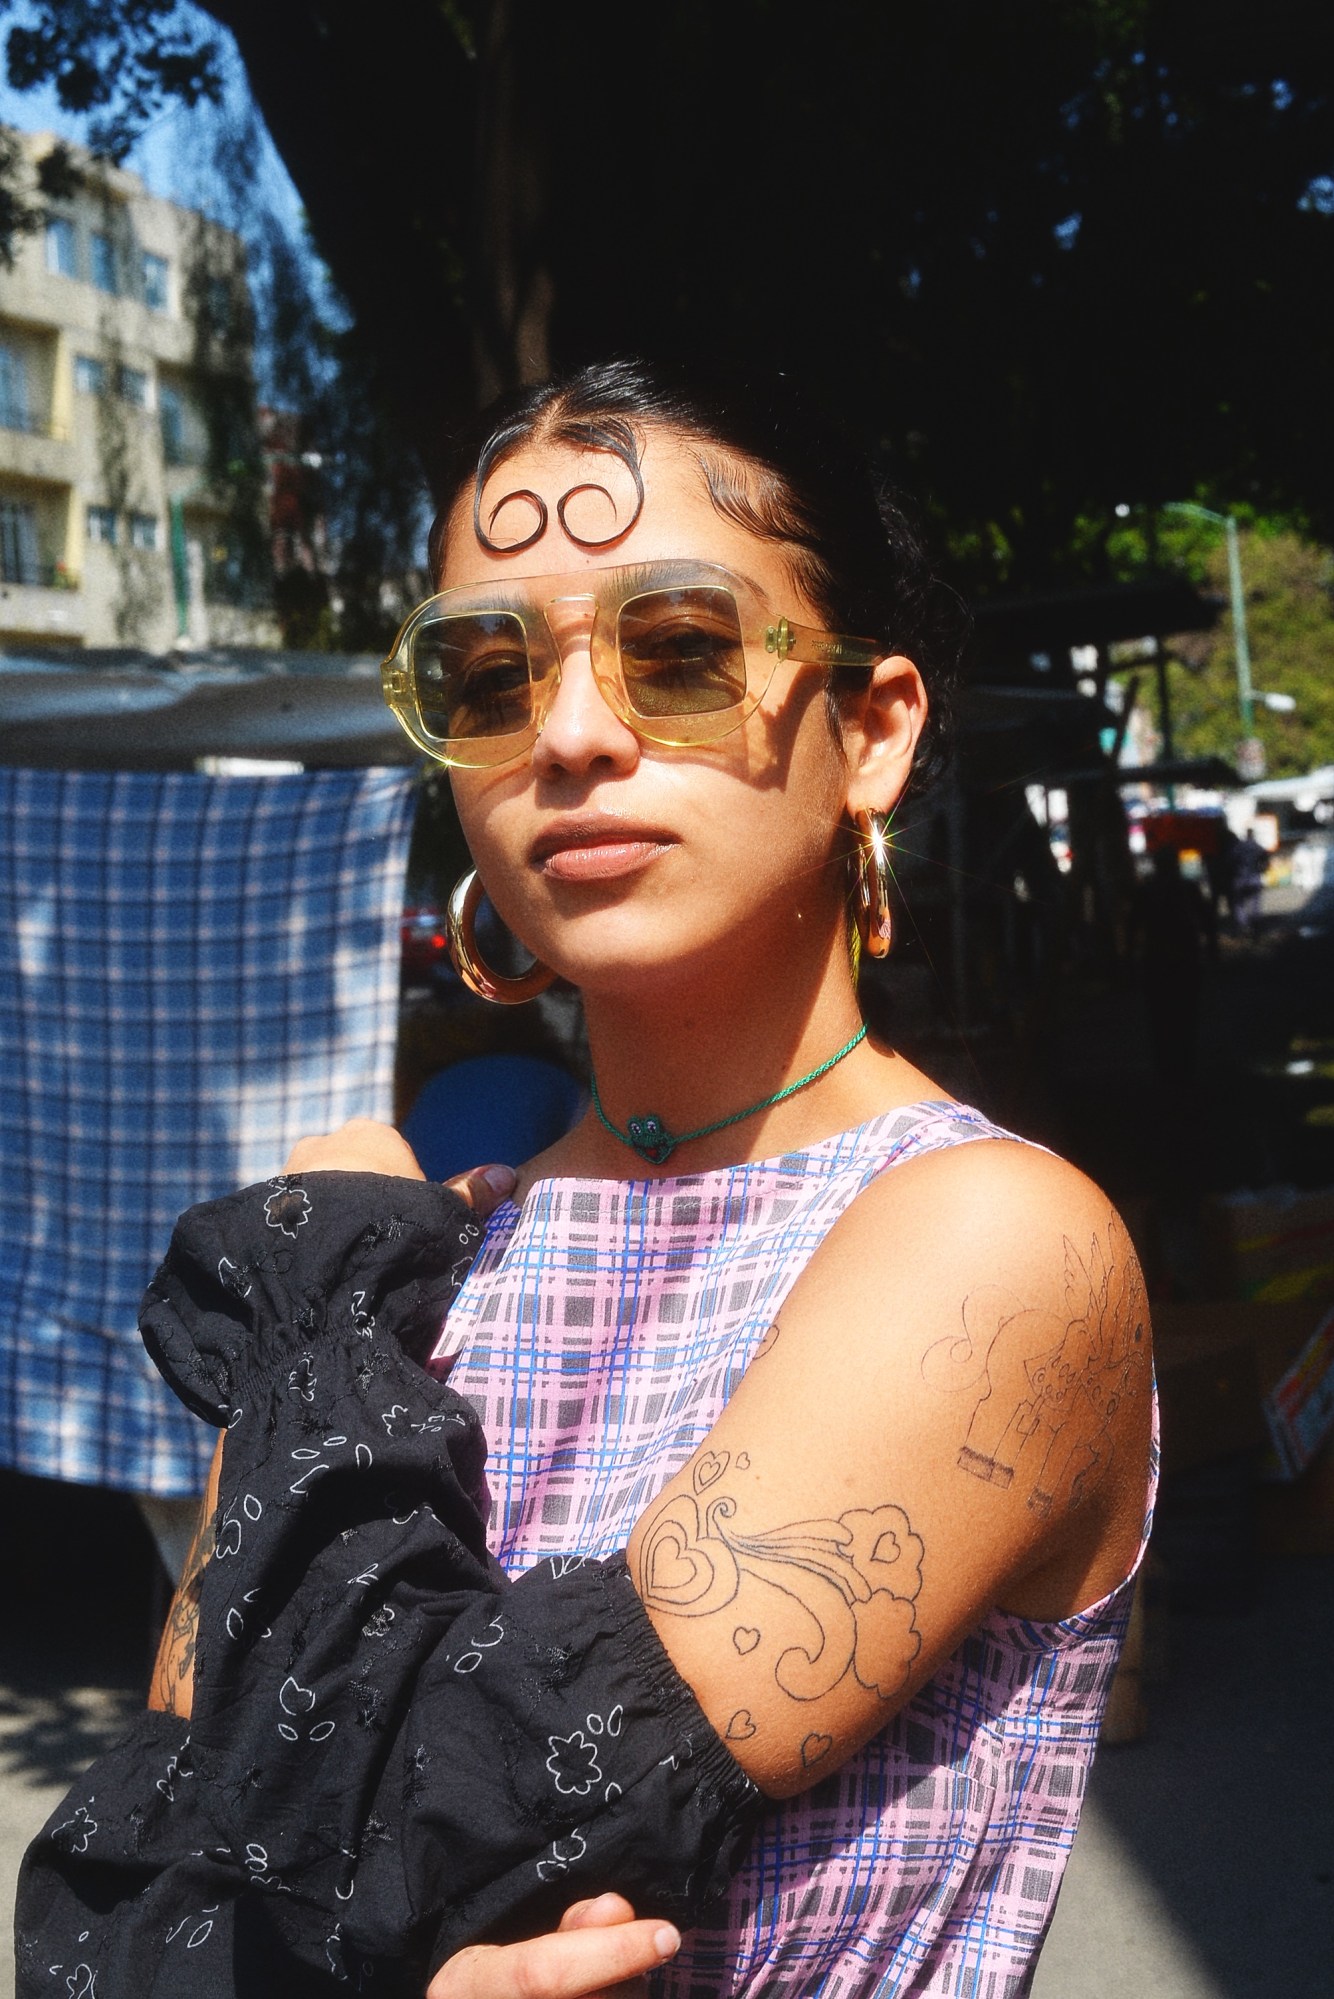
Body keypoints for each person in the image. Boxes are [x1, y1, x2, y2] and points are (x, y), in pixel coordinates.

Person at [20, 359, 1155, 1999]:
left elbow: (462, 1817)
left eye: (678, 652)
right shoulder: (432, 1263)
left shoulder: (984, 1241)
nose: (565, 734)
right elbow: (148, 1844)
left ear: (875, 729)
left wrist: (323, 1304)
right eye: (485, 675)